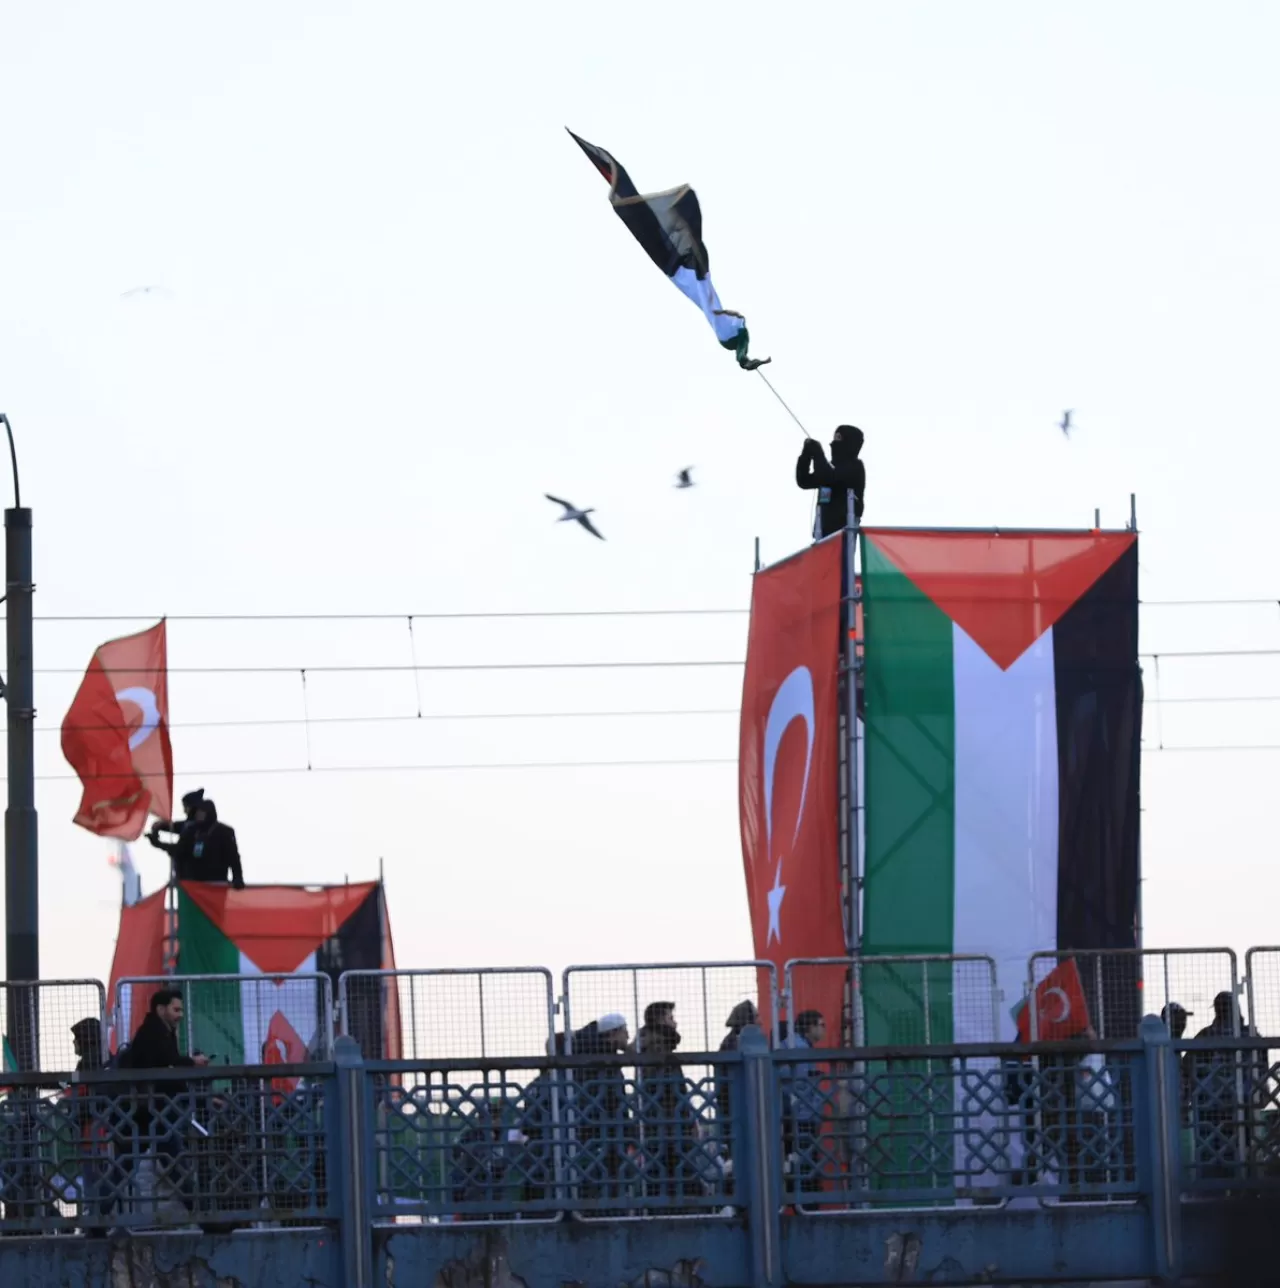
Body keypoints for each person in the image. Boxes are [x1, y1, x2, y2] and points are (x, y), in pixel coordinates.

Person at [149, 795, 244, 887]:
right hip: (192, 886)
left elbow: (234, 858)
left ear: (208, 812)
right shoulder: (192, 831)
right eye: (197, 812)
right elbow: (179, 850)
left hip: (216, 887)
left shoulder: (224, 832)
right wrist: (158, 842)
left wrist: (238, 878)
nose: (198, 815)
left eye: (201, 812)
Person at [795, 425, 865, 540]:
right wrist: (806, 455)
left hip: (843, 533)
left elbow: (828, 476)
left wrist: (817, 452)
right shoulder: (829, 468)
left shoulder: (855, 466)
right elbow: (804, 481)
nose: (833, 442)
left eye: (839, 438)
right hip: (822, 534)